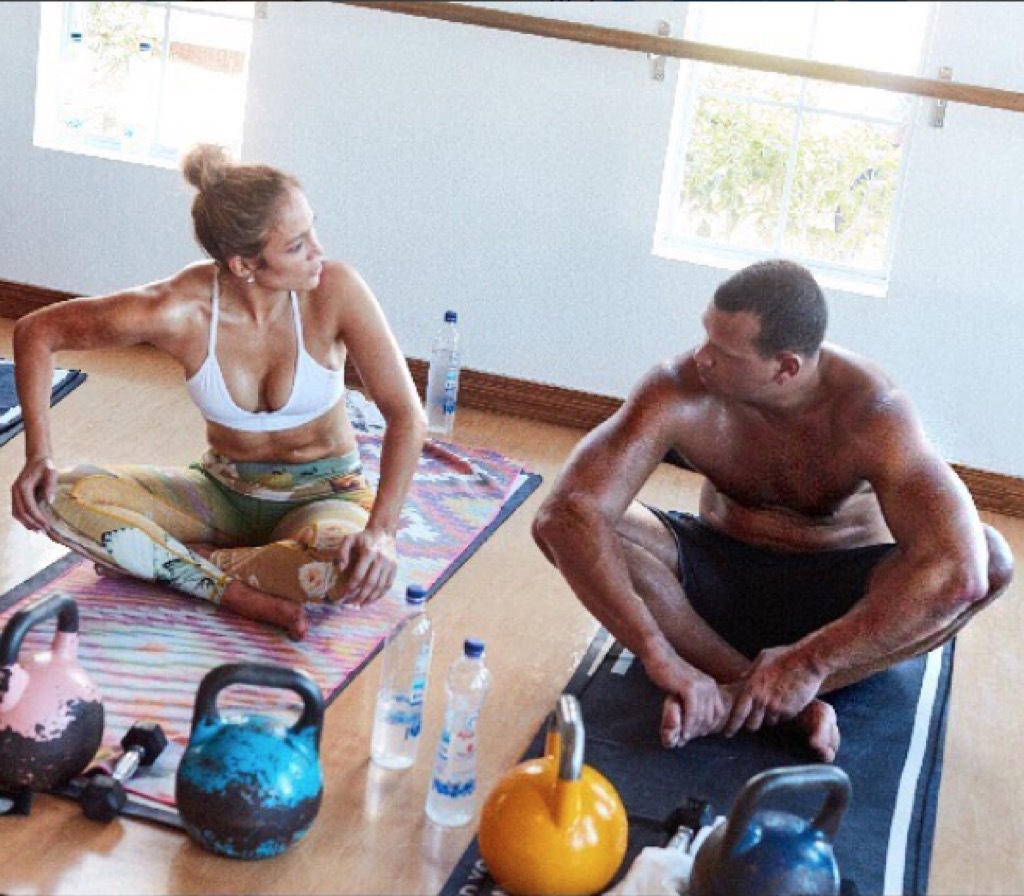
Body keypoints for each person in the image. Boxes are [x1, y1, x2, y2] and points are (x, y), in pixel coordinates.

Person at [532, 259, 1013, 762]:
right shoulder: (679, 388)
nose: (702, 357)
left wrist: (810, 663)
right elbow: (567, 513)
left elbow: (961, 571)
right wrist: (657, 654)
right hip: (710, 584)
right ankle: (754, 690)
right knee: (569, 526)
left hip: (835, 604)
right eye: (705, 337)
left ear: (785, 367)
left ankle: (745, 695)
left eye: (723, 352)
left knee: (991, 561)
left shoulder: (872, 412)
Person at [10, 144, 426, 640]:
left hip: (322, 496)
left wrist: (381, 530)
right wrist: (39, 455)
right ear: (244, 265)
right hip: (220, 493)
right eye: (296, 246)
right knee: (57, 497)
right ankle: (240, 594)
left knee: (346, 565)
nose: (318, 251)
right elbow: (37, 332)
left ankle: (182, 564)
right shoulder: (178, 310)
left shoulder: (335, 290)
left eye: (311, 229)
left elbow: (407, 416)